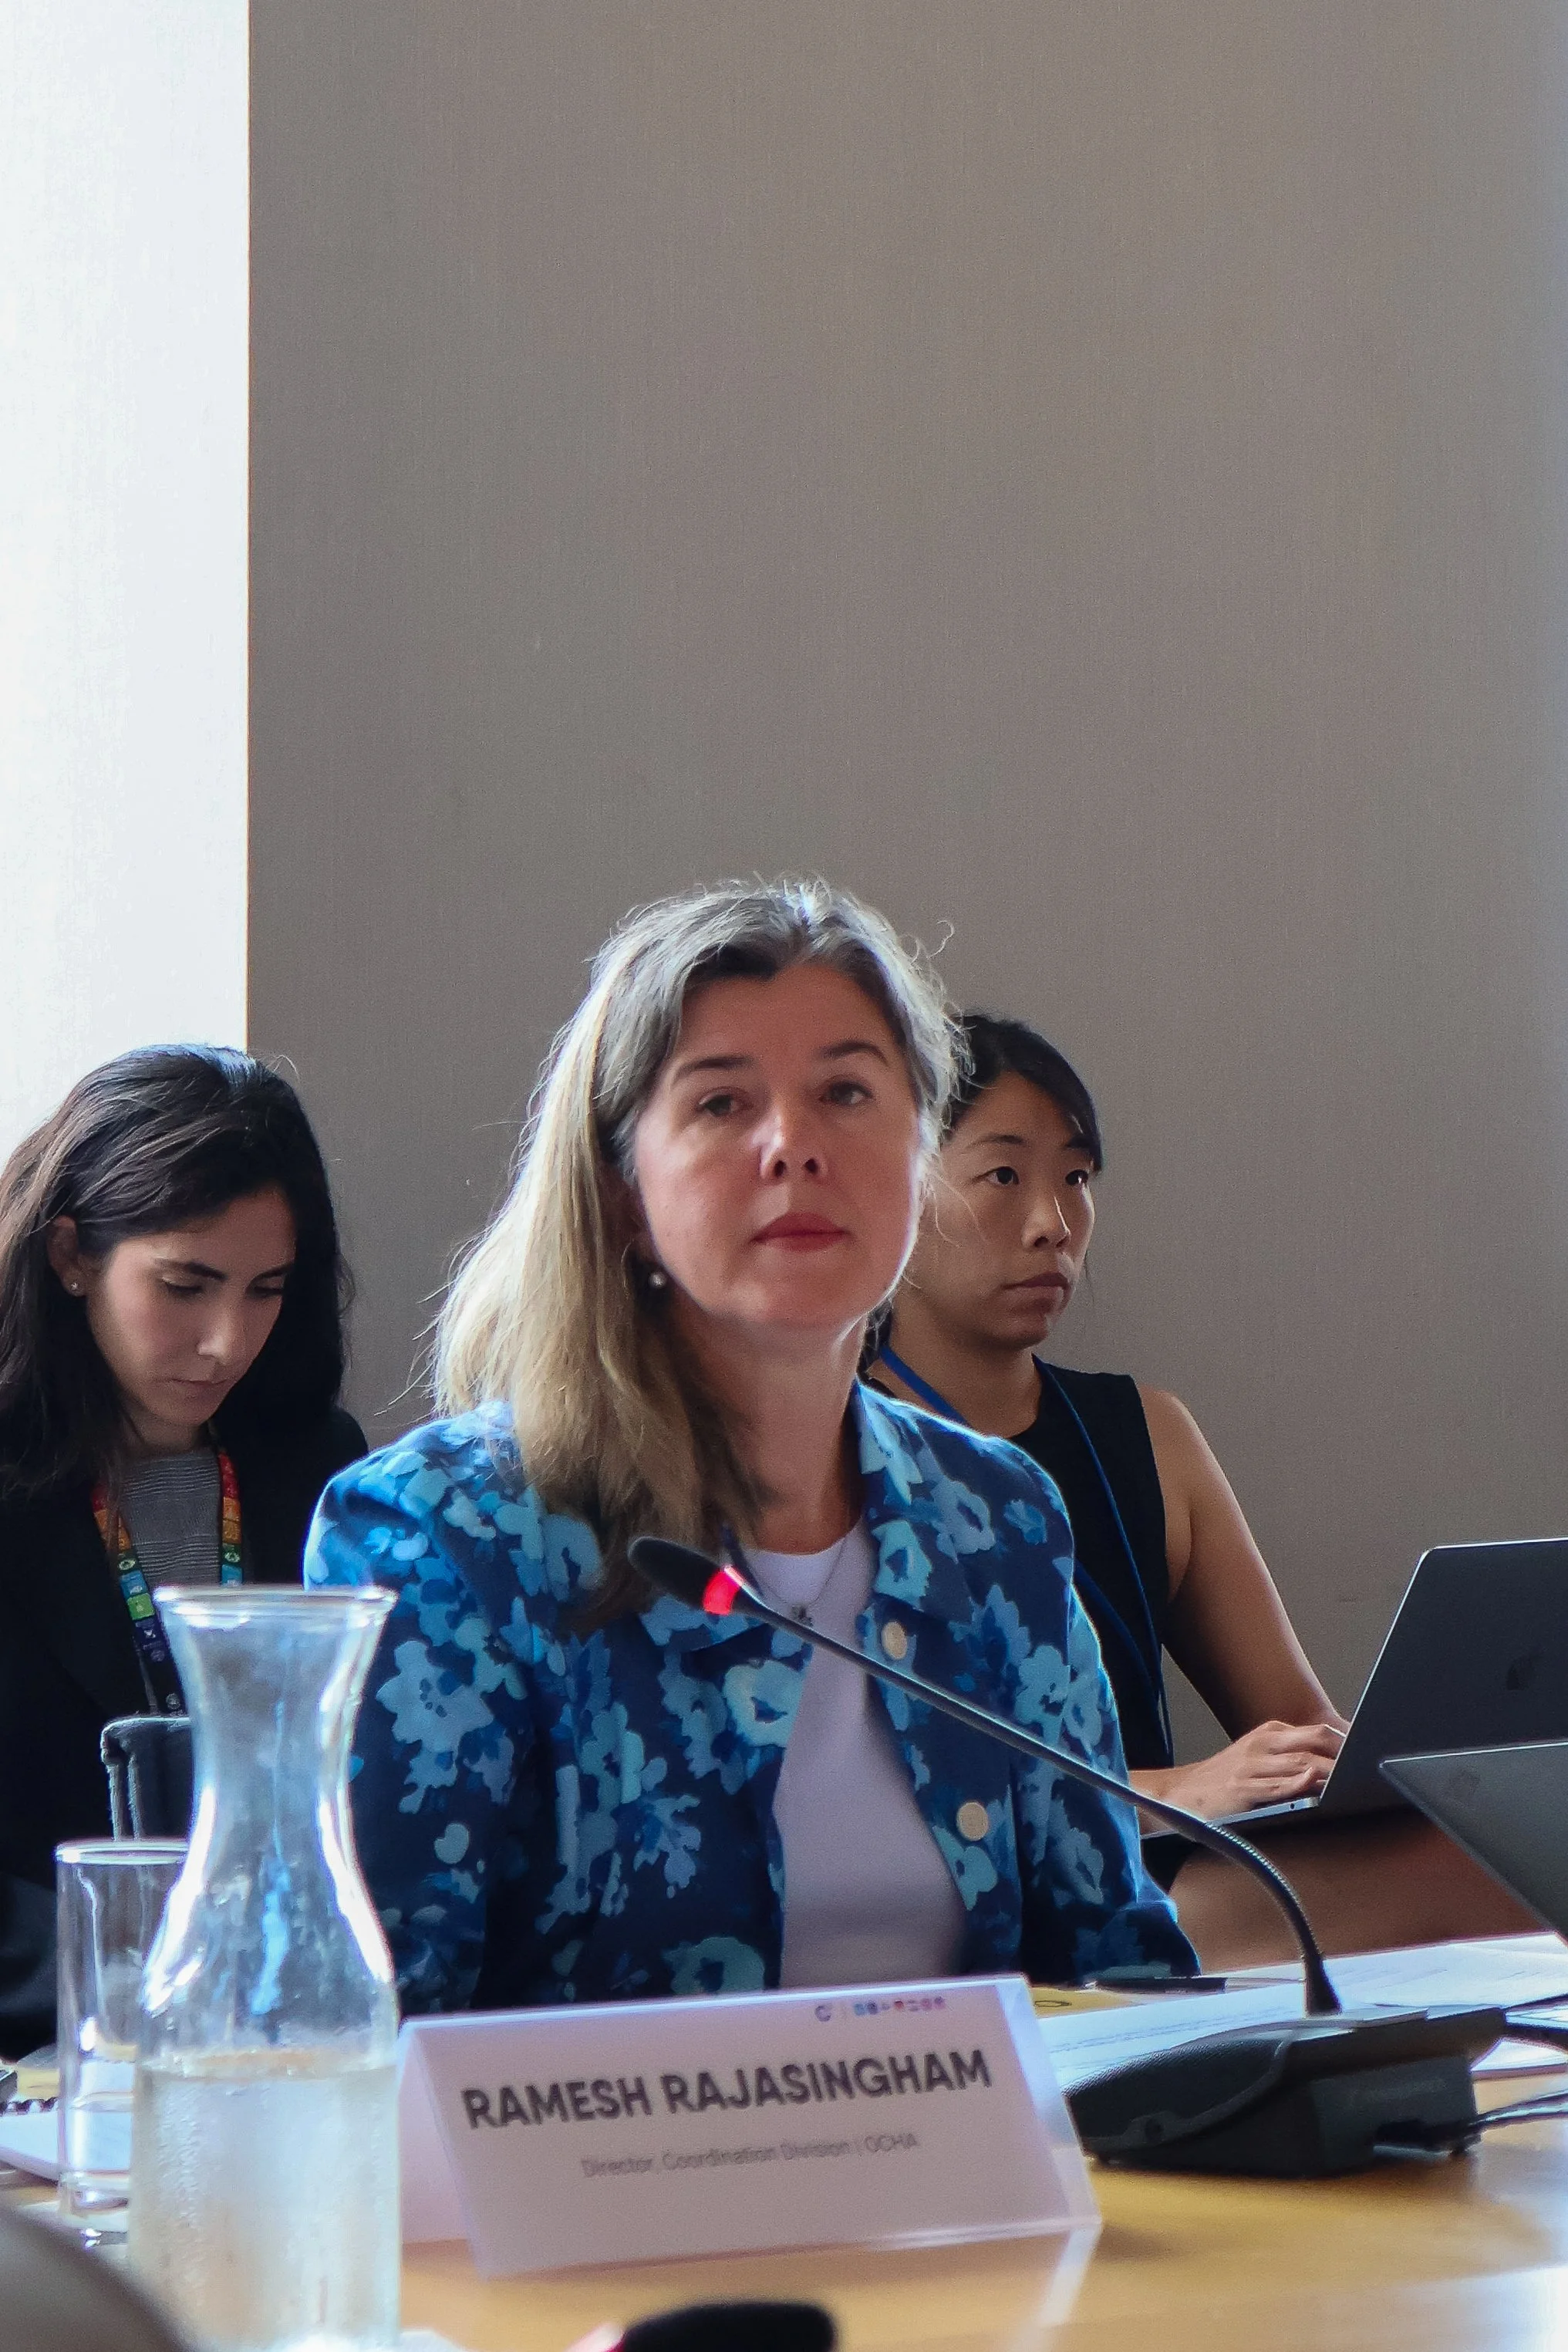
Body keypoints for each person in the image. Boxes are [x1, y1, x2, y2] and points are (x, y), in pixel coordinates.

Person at [306, 880, 1196, 2009]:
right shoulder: (446, 1534)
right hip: (594, 2184)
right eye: (723, 1105)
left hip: (979, 2185)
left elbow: (1121, 1973)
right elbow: (367, 2038)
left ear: (920, 1159)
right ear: (625, 1192)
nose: (794, 1146)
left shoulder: (997, 1519)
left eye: (845, 1091)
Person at [868, 1011, 1535, 1965]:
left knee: (1503, 1845)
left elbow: (1296, 1726)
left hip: (1191, 1853)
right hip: (1040, 1892)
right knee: (1470, 1878)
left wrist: (1342, 1768)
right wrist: (1180, 1789)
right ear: (901, 1188)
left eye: (1077, 1177)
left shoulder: (1147, 1431)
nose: (1051, 1222)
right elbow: (897, 1806)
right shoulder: (847, 1450)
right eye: (1004, 1174)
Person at [0, 1047, 365, 2057]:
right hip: (47, 2041)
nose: (224, 1340)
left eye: (266, 1290)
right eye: (185, 1284)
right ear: (70, 1254)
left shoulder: (321, 1470)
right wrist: (121, 1992)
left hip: (284, 2025)